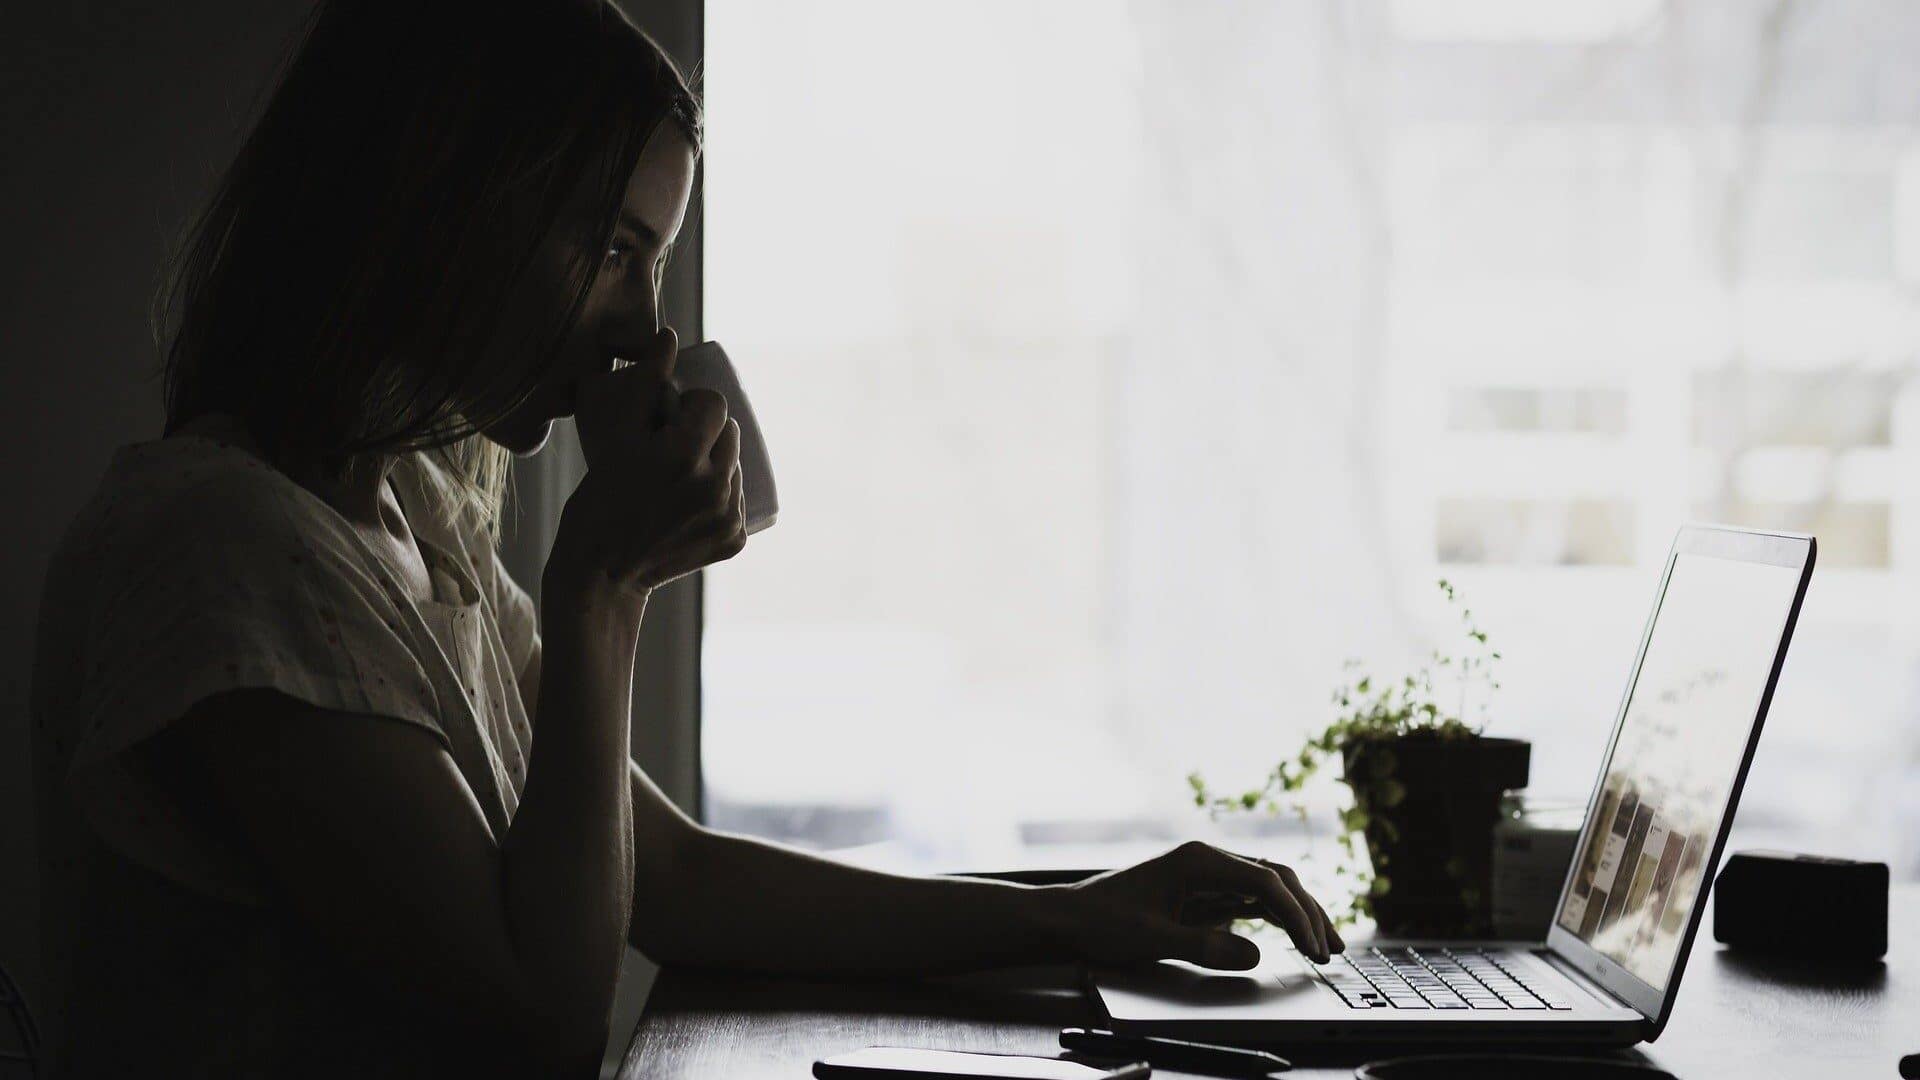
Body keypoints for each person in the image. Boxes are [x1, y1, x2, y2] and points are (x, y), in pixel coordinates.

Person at [27, 1, 1341, 1075]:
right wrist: (602, 587)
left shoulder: (412, 520)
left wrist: (1084, 914)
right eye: (612, 247)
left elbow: (671, 876)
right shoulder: (222, 551)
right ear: (443, 205)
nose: (644, 330)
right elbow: (537, 1021)